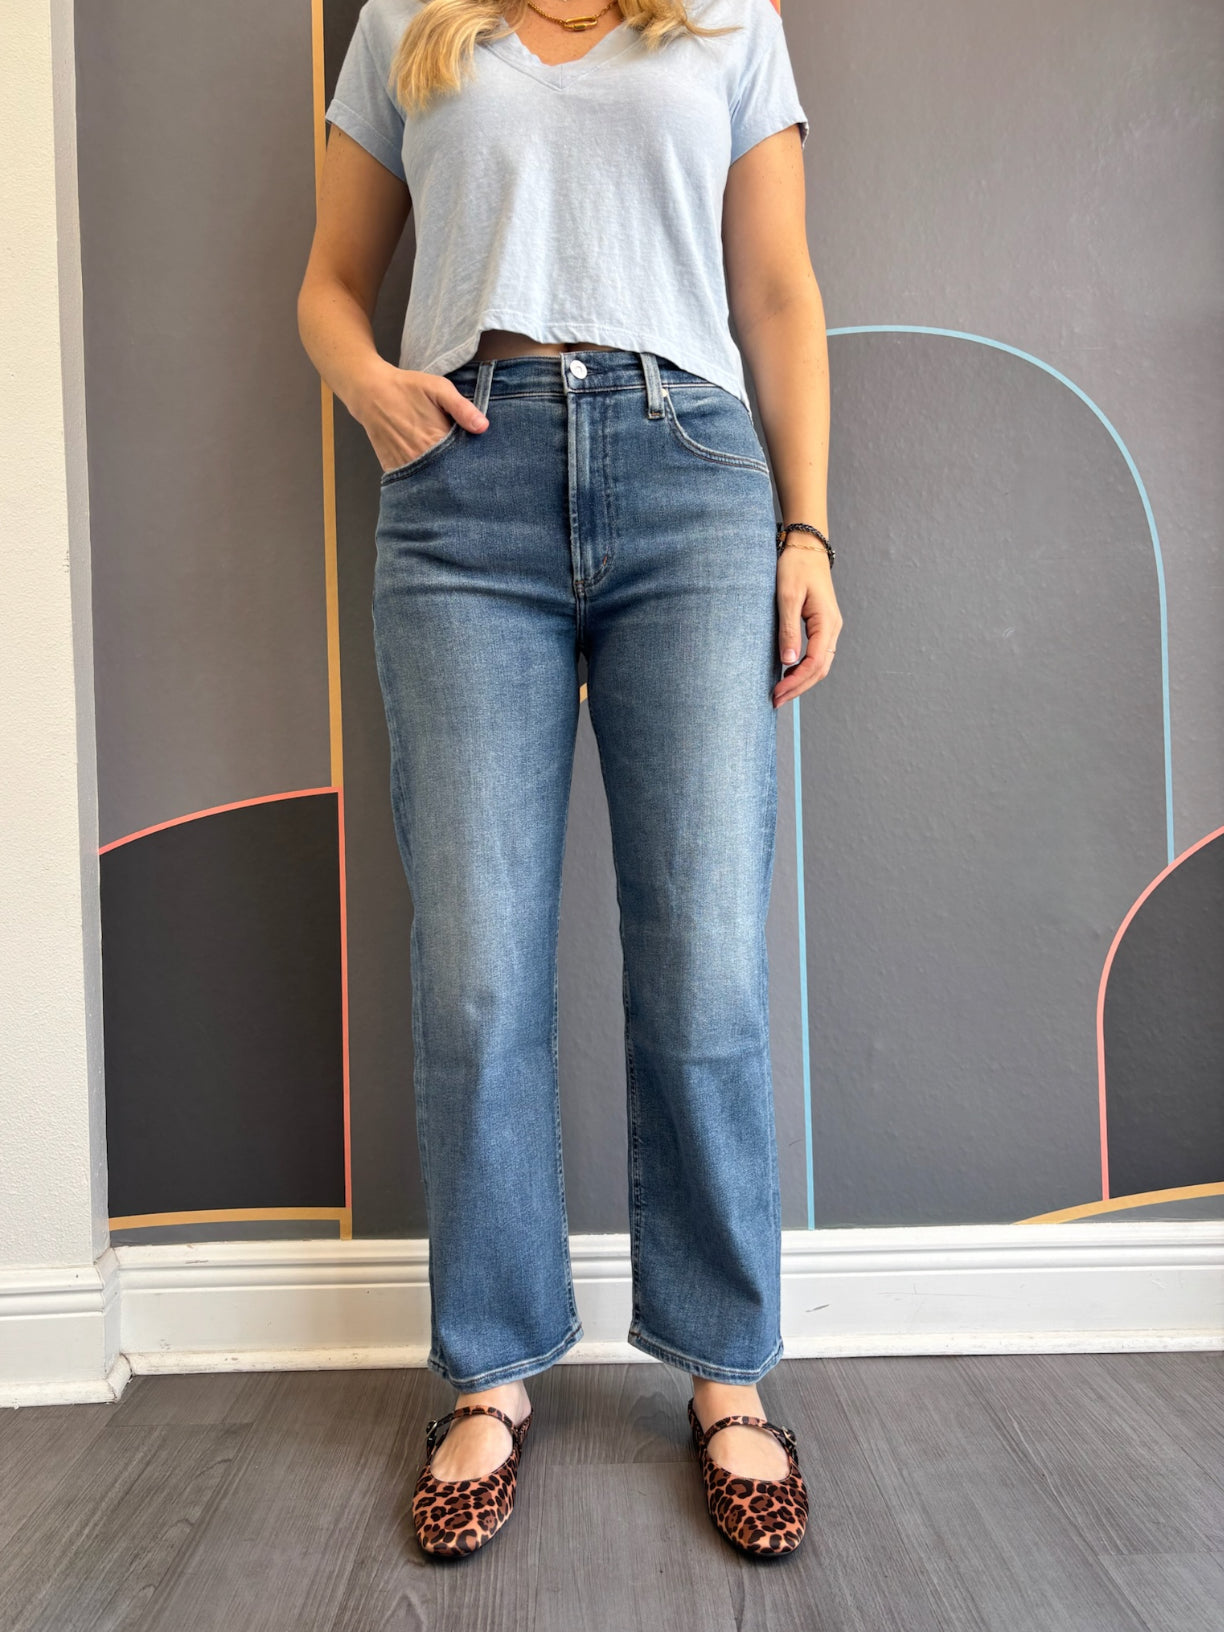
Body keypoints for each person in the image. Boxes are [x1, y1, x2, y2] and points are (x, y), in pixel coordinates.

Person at [298, 0, 839, 1559]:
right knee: (475, 974)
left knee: (708, 966)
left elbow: (779, 292)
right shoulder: (411, 19)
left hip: (691, 482)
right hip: (461, 489)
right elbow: (329, 288)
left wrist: (809, 529)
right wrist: (371, 383)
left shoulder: (728, 18)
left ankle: (726, 1371)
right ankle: (491, 1373)